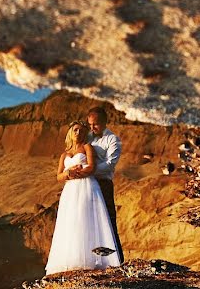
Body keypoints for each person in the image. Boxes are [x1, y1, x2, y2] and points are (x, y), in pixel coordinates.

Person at [44, 121, 122, 276]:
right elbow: (59, 176)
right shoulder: (64, 155)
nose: (78, 132)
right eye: (75, 130)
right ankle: (73, 259)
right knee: (71, 221)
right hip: (70, 190)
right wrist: (68, 173)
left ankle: (93, 261)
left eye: (80, 130)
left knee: (85, 219)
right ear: (70, 133)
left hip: (86, 186)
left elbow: (92, 167)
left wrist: (77, 173)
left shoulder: (87, 147)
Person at [71, 106, 123, 263]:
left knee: (108, 222)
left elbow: (110, 164)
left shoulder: (113, 140)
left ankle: (117, 260)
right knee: (89, 222)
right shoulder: (88, 138)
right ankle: (93, 261)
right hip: (87, 185)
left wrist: (88, 170)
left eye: (96, 124)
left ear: (105, 122)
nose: (92, 127)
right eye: (90, 124)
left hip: (103, 184)